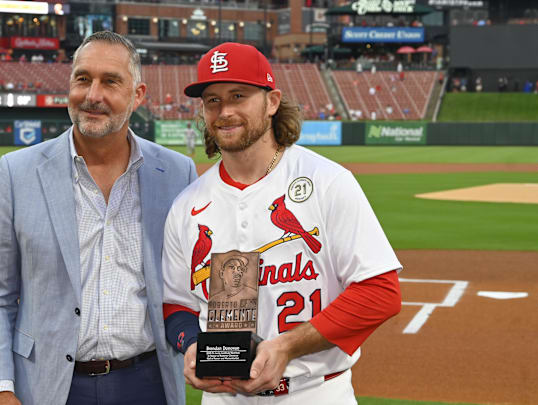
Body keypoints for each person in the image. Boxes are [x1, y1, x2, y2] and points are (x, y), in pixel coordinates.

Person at [162, 42, 402, 404]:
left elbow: (380, 292)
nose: (224, 111)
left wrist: (287, 347)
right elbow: (176, 305)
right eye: (212, 100)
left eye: (238, 95)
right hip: (225, 398)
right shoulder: (187, 205)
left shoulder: (326, 181)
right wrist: (192, 345)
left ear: (272, 102)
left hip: (316, 393)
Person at [0, 31, 195, 405]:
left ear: (138, 95)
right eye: (83, 79)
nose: (93, 95)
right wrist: (0, 390)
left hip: (149, 383)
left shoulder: (176, 173)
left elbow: (189, 287)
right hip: (49, 386)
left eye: (110, 81)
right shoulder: (17, 172)